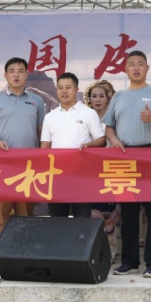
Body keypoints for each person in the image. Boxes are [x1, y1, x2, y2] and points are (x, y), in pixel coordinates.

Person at [104, 50, 151, 278]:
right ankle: (130, 261)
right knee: (128, 212)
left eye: (140, 64)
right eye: (132, 64)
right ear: (125, 69)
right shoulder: (119, 96)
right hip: (126, 156)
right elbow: (109, 126)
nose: (136, 68)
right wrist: (114, 140)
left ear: (147, 68)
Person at [0, 57, 47, 253]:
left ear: (27, 75)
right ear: (5, 75)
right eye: (12, 71)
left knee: (25, 215)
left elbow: (42, 132)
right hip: (2, 166)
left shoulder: (37, 101)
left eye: (20, 71)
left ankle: (24, 255)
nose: (16, 75)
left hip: (28, 168)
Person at [40, 72, 105, 219]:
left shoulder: (88, 113)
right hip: (57, 176)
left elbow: (101, 140)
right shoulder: (50, 116)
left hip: (81, 174)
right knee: (58, 218)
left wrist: (88, 145)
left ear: (76, 89)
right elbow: (45, 146)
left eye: (68, 87)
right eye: (60, 88)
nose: (64, 91)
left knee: (82, 218)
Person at [85, 80, 119, 249]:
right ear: (89, 99)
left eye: (101, 96)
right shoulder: (84, 118)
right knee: (93, 212)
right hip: (90, 172)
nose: (97, 99)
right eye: (94, 96)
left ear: (107, 98)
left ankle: (111, 249)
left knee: (111, 213)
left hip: (111, 171)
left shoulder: (115, 120)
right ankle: (94, 249)